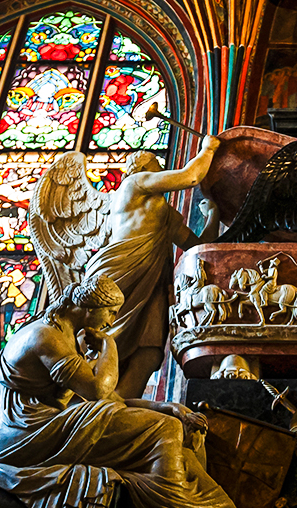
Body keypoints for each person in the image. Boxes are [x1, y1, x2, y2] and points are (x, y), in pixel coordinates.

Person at [0, 277, 291, 508]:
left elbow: (111, 401)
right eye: (111, 311)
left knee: (184, 451)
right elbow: (98, 393)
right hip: (26, 436)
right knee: (164, 432)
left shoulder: (65, 337)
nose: (112, 319)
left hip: (52, 426)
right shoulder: (46, 337)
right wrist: (110, 348)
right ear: (90, 306)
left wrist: (165, 406)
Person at [95, 141, 222, 396]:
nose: (160, 170)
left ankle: (120, 407)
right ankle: (87, 396)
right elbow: (191, 176)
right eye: (156, 166)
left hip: (153, 284)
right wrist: (208, 148)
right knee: (107, 339)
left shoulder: (164, 213)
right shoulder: (133, 184)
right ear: (142, 168)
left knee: (150, 351)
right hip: (122, 273)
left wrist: (213, 216)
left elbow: (197, 246)